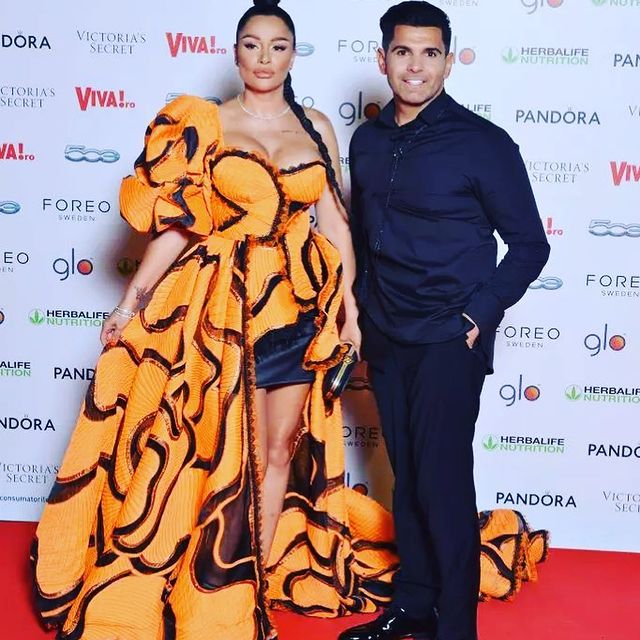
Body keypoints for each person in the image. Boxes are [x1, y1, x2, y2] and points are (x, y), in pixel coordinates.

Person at [31, 2, 397, 639]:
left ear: (292, 54)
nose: (264, 58)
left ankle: (251, 581)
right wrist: (131, 301)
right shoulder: (210, 124)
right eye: (252, 45)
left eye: (277, 46)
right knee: (231, 454)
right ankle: (210, 586)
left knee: (279, 449)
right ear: (235, 53)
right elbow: (179, 226)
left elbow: (336, 225)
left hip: (299, 307)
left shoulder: (315, 127)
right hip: (225, 311)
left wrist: (350, 313)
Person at [341, 3, 551, 640]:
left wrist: (478, 314)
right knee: (406, 476)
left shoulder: (483, 143)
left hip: (448, 336)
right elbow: (363, 236)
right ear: (383, 59)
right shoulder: (367, 140)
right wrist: (359, 314)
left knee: (443, 482)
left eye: (430, 53)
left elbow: (530, 245)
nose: (416, 66)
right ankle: (413, 604)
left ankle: (456, 627)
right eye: (403, 52)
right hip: (386, 332)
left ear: (449, 62)